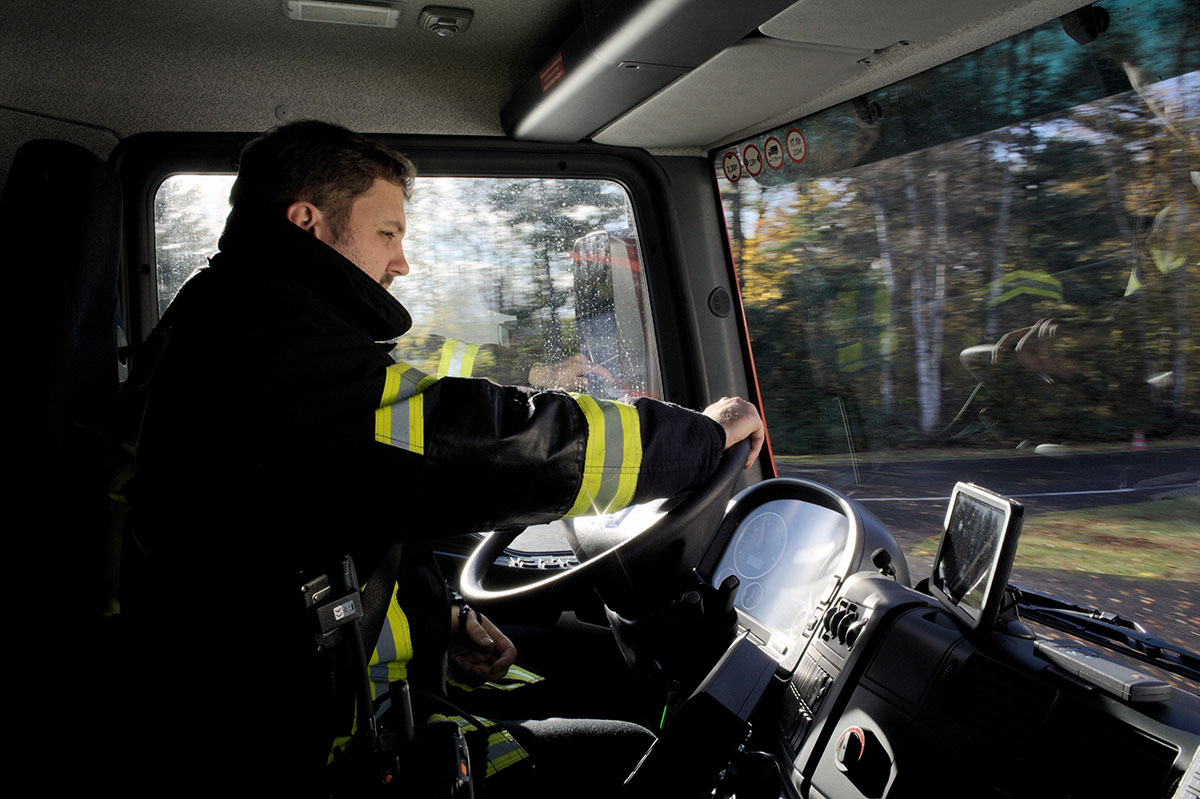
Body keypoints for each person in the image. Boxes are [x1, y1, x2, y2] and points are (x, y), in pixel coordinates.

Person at [131, 120, 763, 796]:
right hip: (314, 752)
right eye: (387, 233)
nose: (401, 261)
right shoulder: (269, 345)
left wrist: (443, 621)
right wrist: (697, 436)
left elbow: (349, 513)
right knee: (636, 754)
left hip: (318, 703)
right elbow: (481, 446)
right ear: (307, 221)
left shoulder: (240, 317)